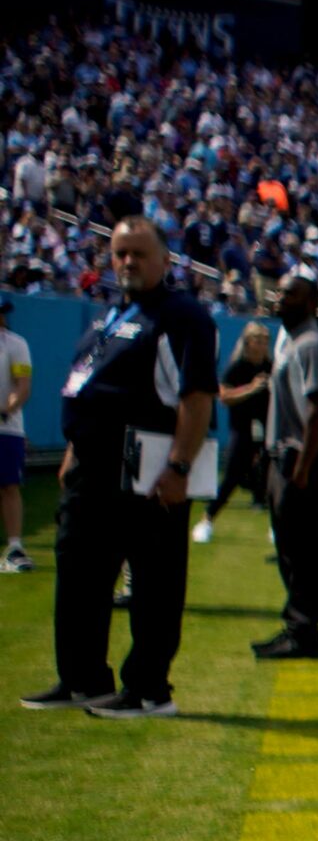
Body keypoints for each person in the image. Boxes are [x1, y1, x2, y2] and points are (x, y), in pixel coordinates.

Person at [25, 218, 218, 715]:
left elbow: (196, 399)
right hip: (91, 468)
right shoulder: (110, 316)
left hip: (147, 467)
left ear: (166, 260)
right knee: (79, 575)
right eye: (119, 253)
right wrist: (72, 453)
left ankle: (149, 689)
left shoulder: (182, 316)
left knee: (153, 582)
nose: (128, 262)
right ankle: (83, 678)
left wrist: (179, 466)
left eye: (139, 253)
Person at [253, 272, 318, 661]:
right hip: (283, 457)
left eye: (290, 294)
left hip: (299, 460)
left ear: (309, 302)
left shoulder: (312, 344)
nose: (280, 298)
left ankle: (305, 633)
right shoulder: (291, 342)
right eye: (280, 292)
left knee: (302, 551)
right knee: (289, 549)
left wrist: (303, 466)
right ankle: (296, 628)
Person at [193, 320, 273, 544]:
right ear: (248, 342)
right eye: (258, 340)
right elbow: (225, 397)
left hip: (266, 429)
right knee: (231, 477)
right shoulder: (237, 368)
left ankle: (276, 527)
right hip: (242, 428)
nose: (262, 345)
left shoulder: (270, 365)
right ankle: (207, 520)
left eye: (265, 340)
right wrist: (252, 388)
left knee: (273, 477)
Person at [0, 295, 31, 571]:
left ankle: (14, 547)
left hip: (7, 428)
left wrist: (6, 409)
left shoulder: (16, 344)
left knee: (9, 486)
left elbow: (23, 386)